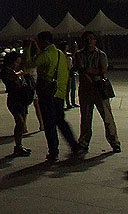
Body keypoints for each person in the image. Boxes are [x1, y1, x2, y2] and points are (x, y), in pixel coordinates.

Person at [23, 31, 77, 161]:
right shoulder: (60, 54)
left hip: (47, 94)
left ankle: (53, 151)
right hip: (59, 93)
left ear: (45, 42)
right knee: (60, 120)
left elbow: (27, 65)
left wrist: (27, 48)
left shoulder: (45, 55)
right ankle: (74, 145)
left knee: (49, 124)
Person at [73, 30, 120, 154]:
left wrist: (89, 71)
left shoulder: (101, 54)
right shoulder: (79, 55)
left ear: (95, 41)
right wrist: (92, 73)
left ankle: (114, 142)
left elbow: (103, 70)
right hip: (86, 90)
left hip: (100, 89)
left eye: (91, 39)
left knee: (107, 117)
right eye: (87, 39)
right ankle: (84, 142)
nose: (89, 41)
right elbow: (82, 72)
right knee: (86, 119)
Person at [0, 51, 33, 157]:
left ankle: (19, 146)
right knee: (20, 122)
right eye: (17, 62)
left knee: (21, 123)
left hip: (21, 98)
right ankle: (18, 146)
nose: (18, 64)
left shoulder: (14, 70)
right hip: (14, 99)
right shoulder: (6, 71)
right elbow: (13, 80)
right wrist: (21, 75)